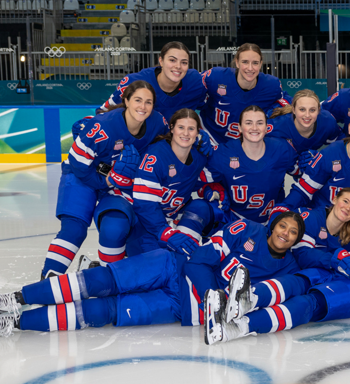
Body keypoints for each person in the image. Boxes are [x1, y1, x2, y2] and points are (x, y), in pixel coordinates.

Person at [0, 212, 307, 336]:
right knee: (99, 281)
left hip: (182, 308)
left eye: (293, 232)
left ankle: (13, 323)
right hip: (170, 265)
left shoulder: (289, 267)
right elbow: (195, 263)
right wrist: (213, 299)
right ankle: (13, 298)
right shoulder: (243, 230)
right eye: (283, 226)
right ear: (272, 226)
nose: (285, 233)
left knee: (104, 312)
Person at [205, 188, 350, 344]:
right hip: (340, 268)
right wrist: (340, 258)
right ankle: (247, 299)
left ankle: (240, 327)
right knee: (299, 280)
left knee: (310, 302)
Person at [42, 81, 169, 278]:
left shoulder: (157, 123)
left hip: (116, 180)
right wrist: (107, 181)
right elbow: (79, 164)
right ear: (126, 100)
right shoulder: (103, 126)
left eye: (148, 102)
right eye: (137, 100)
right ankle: (47, 281)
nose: (142, 107)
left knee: (121, 227)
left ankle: (110, 276)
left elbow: (172, 142)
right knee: (74, 229)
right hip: (81, 175)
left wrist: (200, 140)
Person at [121, 108, 220, 257]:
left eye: (191, 129)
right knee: (157, 263)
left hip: (173, 216)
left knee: (202, 207)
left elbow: (203, 180)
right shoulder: (155, 156)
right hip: (145, 221)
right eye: (181, 127)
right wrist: (166, 232)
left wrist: (211, 189)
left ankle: (187, 249)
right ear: (172, 128)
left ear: (198, 133)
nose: (186, 133)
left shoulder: (199, 157)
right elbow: (145, 205)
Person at [281, 110, 350, 215]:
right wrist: (283, 208)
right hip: (324, 220)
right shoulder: (330, 154)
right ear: (349, 128)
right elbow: (303, 191)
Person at [208, 106, 298, 224]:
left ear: (266, 127)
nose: (254, 128)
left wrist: (311, 160)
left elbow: (304, 176)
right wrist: (212, 190)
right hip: (233, 218)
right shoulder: (223, 153)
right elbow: (195, 180)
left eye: (259, 123)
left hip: (272, 220)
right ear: (239, 127)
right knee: (201, 208)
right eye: (248, 123)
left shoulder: (282, 149)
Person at [201, 43, 291, 142]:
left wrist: (272, 116)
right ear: (237, 62)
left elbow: (288, 104)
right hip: (211, 137)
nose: (250, 68)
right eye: (245, 62)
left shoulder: (271, 85)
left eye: (255, 63)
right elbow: (190, 88)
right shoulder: (216, 77)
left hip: (247, 144)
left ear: (261, 64)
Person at [98, 41, 207, 120]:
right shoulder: (134, 82)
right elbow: (103, 112)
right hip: (142, 143)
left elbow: (211, 108)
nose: (178, 66)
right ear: (161, 61)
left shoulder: (196, 82)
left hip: (177, 143)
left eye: (184, 62)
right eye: (172, 60)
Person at [266, 89, 342, 173]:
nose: (307, 115)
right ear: (294, 110)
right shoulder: (276, 126)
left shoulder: (328, 122)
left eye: (312, 110)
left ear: (319, 111)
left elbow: (340, 146)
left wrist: (321, 158)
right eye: (302, 109)